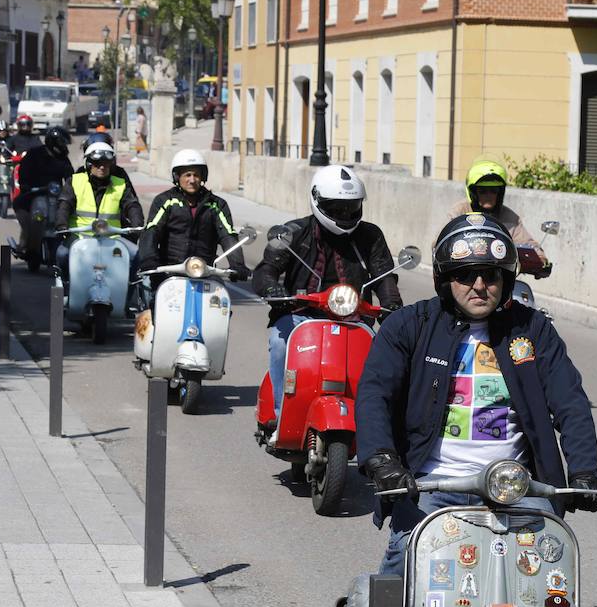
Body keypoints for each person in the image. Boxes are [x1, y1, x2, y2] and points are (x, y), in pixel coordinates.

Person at [356, 213, 597, 577]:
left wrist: (584, 471)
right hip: (433, 485)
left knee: (552, 579)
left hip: (517, 486)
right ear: (444, 279)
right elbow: (374, 393)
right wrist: (381, 460)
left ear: (505, 279)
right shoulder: (409, 326)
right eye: (464, 275)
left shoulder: (533, 330)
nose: (478, 285)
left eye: (490, 274)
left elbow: (570, 401)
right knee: (401, 568)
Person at [250, 164, 402, 443]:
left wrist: (392, 306)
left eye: (351, 207)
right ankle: (281, 414)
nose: (345, 214)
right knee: (279, 342)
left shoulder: (371, 235)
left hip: (356, 316)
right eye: (337, 207)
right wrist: (273, 288)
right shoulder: (293, 232)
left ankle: (381, 429)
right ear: (317, 200)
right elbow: (265, 270)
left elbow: (383, 276)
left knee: (389, 359)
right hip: (301, 316)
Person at [136, 148, 245, 284]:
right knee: (154, 301)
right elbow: (152, 230)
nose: (192, 180)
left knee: (220, 301)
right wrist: (148, 259)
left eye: (196, 175)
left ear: (202, 177)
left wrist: (238, 264)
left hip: (204, 272)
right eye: (187, 175)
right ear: (177, 177)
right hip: (169, 272)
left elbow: (228, 235)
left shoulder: (216, 205)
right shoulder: (165, 201)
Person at [447, 158, 550, 277]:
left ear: (500, 193)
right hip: (465, 275)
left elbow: (527, 242)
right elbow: (440, 241)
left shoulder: (509, 216)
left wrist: (540, 258)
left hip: (500, 277)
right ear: (473, 193)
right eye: (483, 191)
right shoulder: (459, 212)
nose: (488, 195)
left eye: (493, 191)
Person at [54, 140, 143, 238]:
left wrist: (137, 226)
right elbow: (64, 205)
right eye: (97, 163)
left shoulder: (120, 184)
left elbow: (132, 205)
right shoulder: (75, 181)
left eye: (106, 163)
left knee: (135, 252)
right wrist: (62, 226)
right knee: (61, 253)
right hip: (79, 238)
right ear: (88, 164)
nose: (102, 167)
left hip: (111, 240)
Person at [11, 126, 74, 263]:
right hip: (32, 194)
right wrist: (26, 185)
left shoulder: (63, 159)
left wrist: (72, 188)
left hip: (56, 196)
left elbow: (71, 177)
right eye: (61, 143)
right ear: (53, 143)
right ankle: (25, 246)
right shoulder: (35, 154)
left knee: (69, 215)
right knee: (30, 219)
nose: (64, 147)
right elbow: (23, 172)